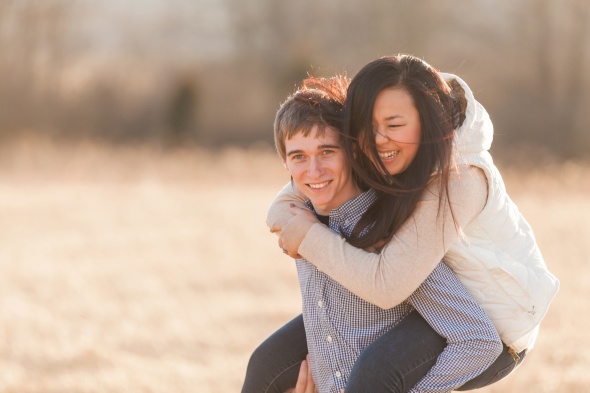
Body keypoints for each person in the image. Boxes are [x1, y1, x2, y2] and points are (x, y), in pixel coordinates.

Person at [269, 54, 560, 390]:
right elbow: (291, 192)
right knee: (268, 366)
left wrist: (308, 236)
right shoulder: (388, 152)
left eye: (394, 126)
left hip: (490, 324)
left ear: (428, 119)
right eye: (369, 127)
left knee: (374, 377)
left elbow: (388, 284)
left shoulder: (461, 178)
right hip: (423, 298)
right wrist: (288, 217)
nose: (379, 141)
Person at [242, 76, 507, 393]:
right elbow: (331, 342)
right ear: (285, 162)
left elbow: (478, 340)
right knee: (263, 366)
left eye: (327, 151)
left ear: (355, 152)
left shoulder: (388, 233)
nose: (313, 171)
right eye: (299, 156)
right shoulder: (304, 218)